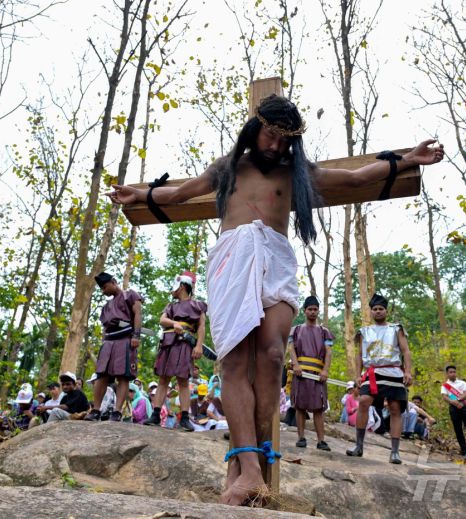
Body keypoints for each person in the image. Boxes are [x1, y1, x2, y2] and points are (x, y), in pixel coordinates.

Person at [111, 94, 444, 504]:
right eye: (270, 135)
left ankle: (249, 458)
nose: (276, 146)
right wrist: (141, 195)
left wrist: (407, 159)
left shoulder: (297, 171)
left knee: (271, 355)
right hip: (233, 261)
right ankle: (249, 468)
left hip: (277, 261)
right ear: (255, 129)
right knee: (235, 361)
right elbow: (181, 193)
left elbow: (356, 178)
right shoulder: (229, 168)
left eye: (286, 140)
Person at [347, 294, 412, 464]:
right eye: (375, 309)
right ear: (371, 311)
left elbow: (405, 351)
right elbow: (359, 355)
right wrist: (357, 375)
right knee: (363, 401)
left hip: (393, 371)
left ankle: (395, 452)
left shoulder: (396, 329)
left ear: (386, 311)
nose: (378, 311)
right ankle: (359, 446)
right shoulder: (364, 331)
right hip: (372, 372)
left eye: (381, 309)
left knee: (395, 408)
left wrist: (408, 372)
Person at [145, 272, 206, 431]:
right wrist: (174, 323)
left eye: (175, 287)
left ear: (182, 286)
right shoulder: (170, 306)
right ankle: (155, 415)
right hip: (168, 342)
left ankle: (185, 418)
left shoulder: (198, 305)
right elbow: (162, 320)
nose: (172, 290)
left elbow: (201, 327)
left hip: (185, 344)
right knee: (163, 379)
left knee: (183, 380)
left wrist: (199, 346)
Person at [85, 272, 143, 422]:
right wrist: (103, 343)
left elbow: (138, 314)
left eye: (105, 287)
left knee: (123, 376)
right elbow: (105, 328)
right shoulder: (106, 307)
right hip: (109, 341)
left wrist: (136, 335)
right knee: (101, 375)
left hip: (125, 339)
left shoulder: (130, 295)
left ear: (113, 282)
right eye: (102, 289)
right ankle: (96, 410)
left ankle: (117, 411)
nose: (104, 291)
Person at [288, 295, 334, 451]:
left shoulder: (324, 331)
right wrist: (295, 365)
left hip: (318, 374)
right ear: (305, 311)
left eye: (315, 309)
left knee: (319, 408)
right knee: (299, 406)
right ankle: (301, 438)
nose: (313, 312)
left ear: (318, 311)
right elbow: (291, 348)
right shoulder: (296, 330)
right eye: (310, 309)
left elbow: (328, 352)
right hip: (300, 372)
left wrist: (325, 370)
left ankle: (321, 441)